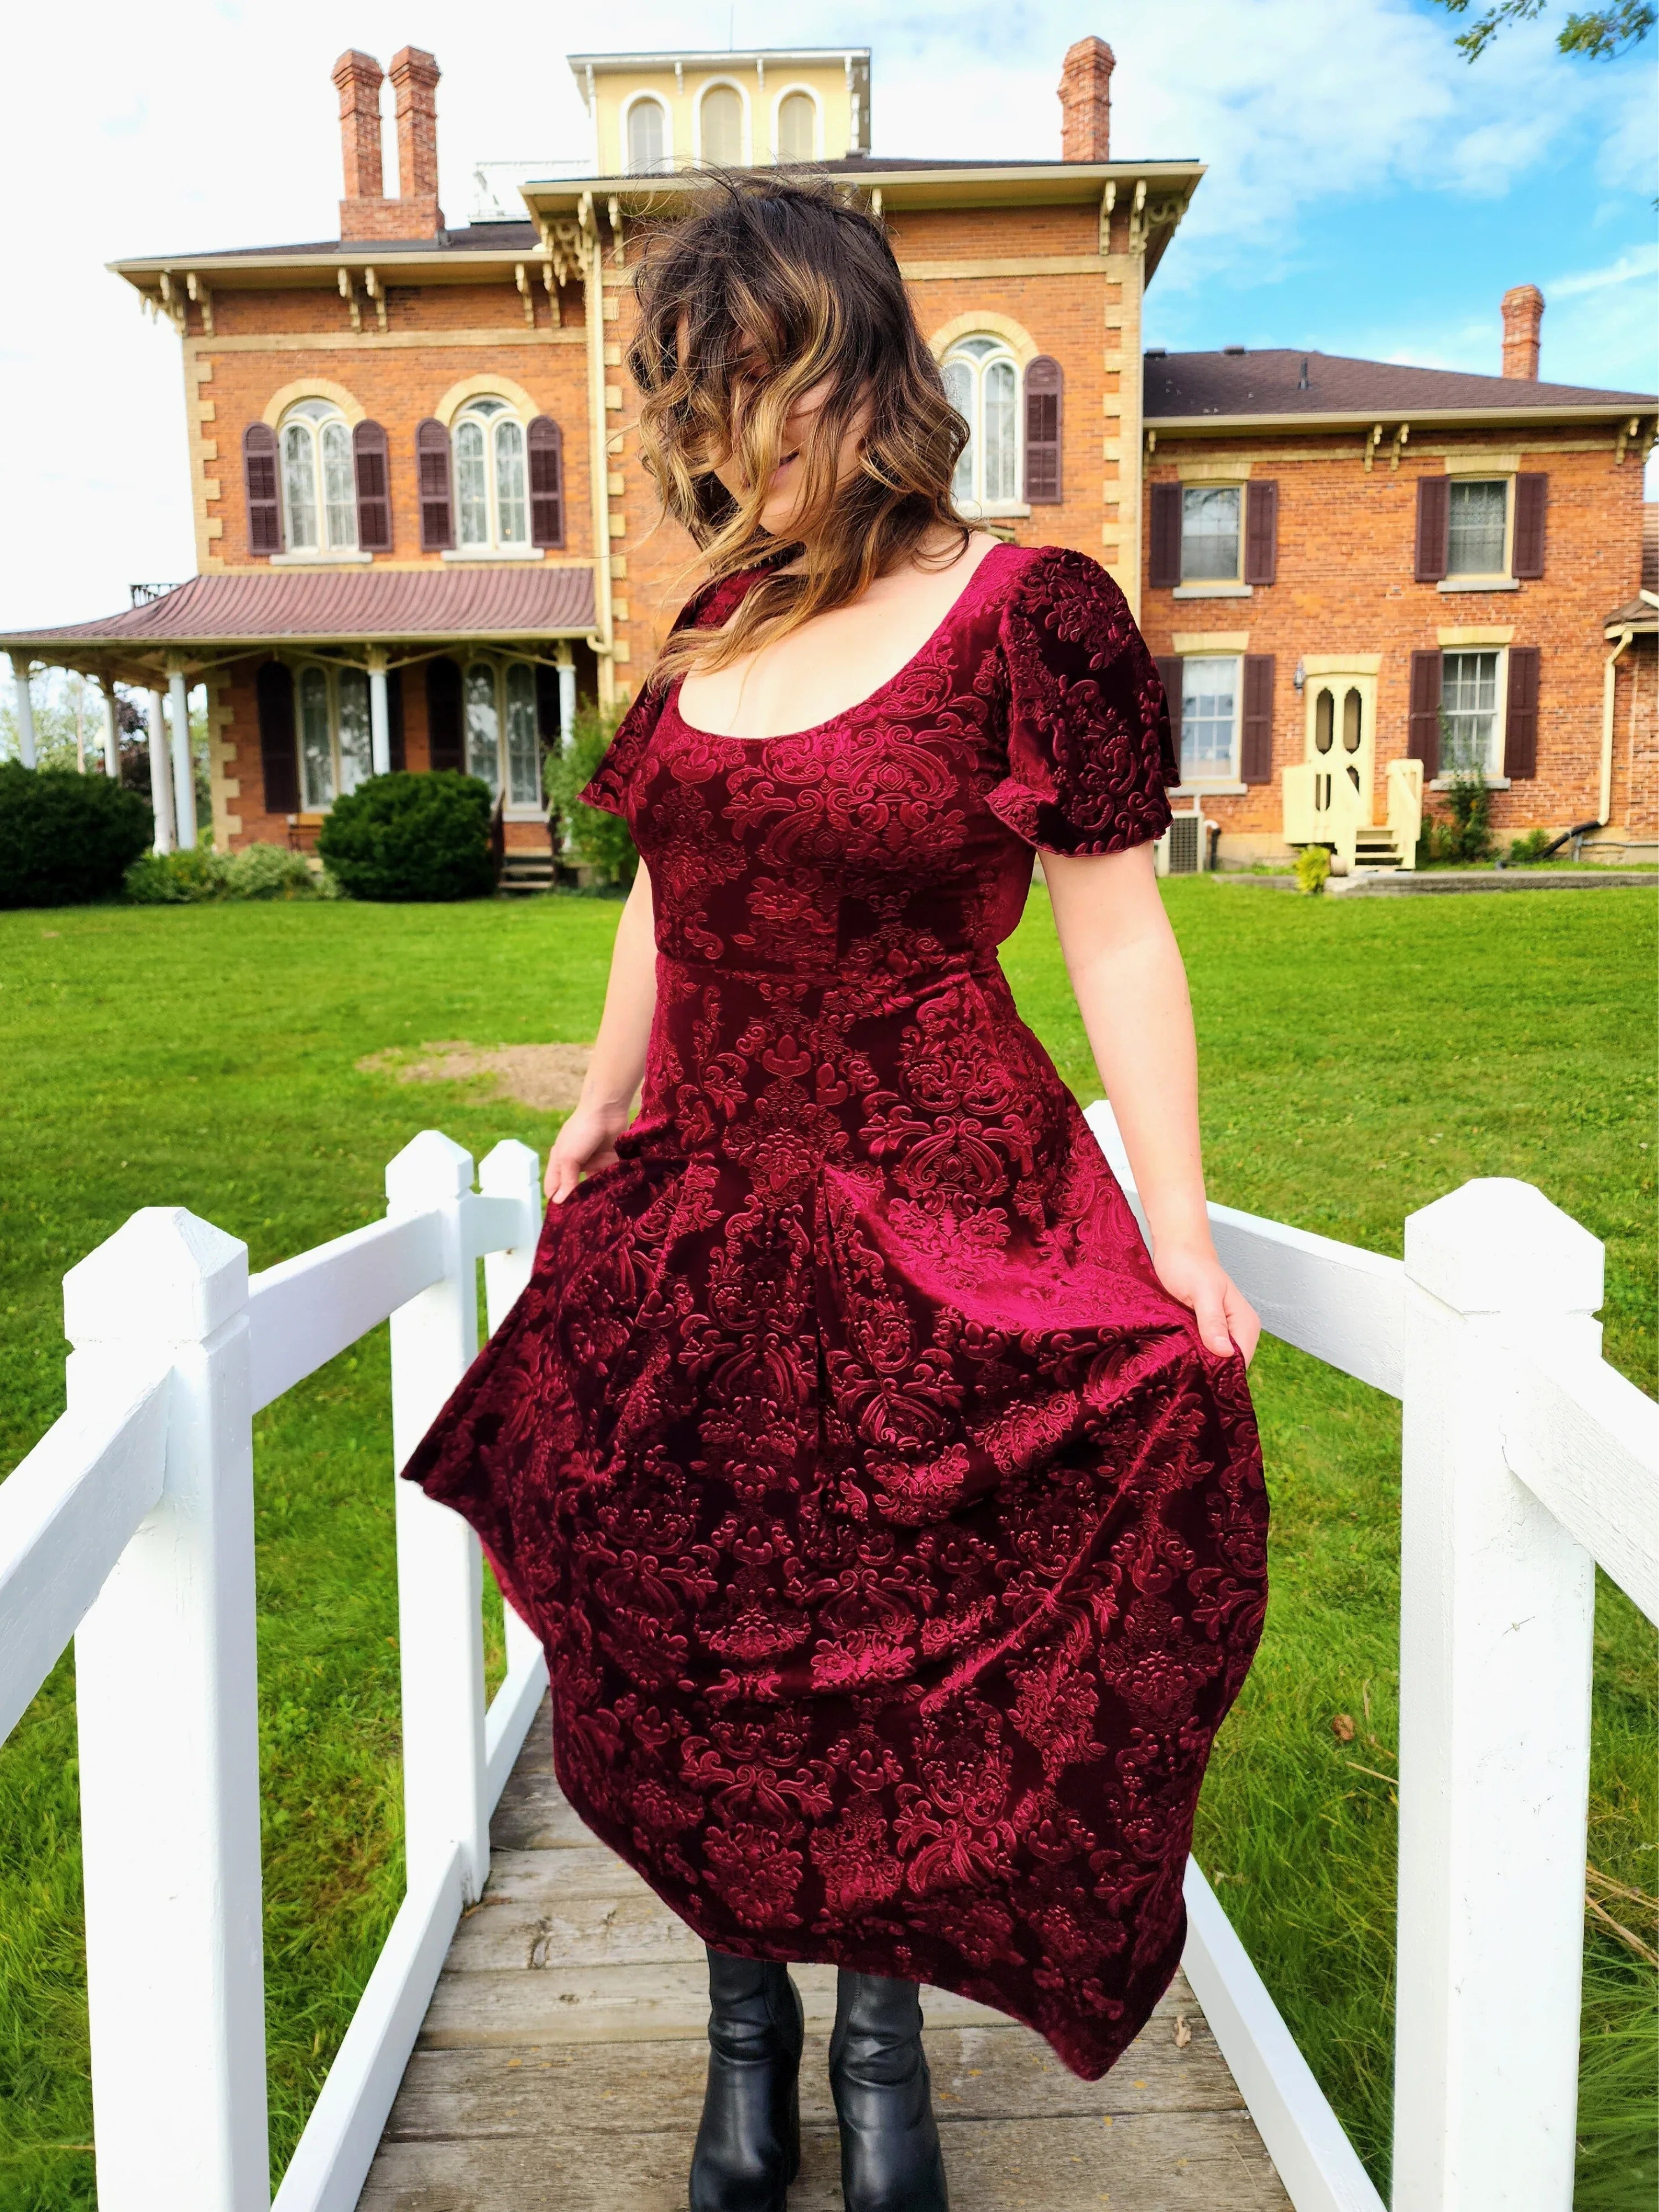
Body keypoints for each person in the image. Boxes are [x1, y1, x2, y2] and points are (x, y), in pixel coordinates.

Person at [401, 175, 1268, 2212]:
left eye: (742, 387)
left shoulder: (1029, 613)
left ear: (851, 371)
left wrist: (1181, 1234)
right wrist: (604, 1099)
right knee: (695, 1622)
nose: (714, 442)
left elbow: (1119, 939)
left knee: (889, 1639)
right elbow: (660, 895)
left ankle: (881, 2050)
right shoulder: (720, 619)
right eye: (687, 402)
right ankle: (744, 2032)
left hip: (942, 1206)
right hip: (700, 1210)